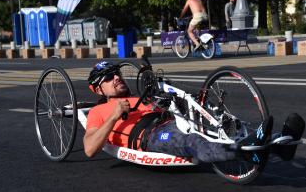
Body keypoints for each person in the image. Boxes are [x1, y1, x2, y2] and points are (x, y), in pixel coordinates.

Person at [83, 61, 275, 163]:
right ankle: (241, 151)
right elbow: (90, 148)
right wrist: (114, 115)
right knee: (191, 142)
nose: (117, 77)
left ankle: (277, 142)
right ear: (99, 90)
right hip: (151, 135)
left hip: (175, 119)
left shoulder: (139, 97)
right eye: (109, 77)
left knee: (215, 123)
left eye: (117, 73)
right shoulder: (98, 111)